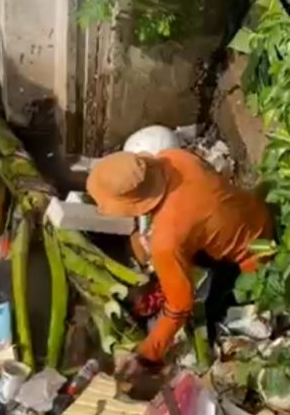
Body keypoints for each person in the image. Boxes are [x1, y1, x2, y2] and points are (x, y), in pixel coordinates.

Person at [87, 149, 273, 376]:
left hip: (256, 259)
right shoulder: (175, 158)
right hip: (257, 214)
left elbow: (180, 306)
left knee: (212, 314)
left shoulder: (168, 238)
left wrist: (148, 352)